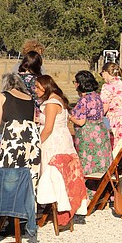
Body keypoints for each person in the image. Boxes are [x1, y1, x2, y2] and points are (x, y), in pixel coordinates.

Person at [34, 75, 88, 227]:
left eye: (38, 87)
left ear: (46, 86)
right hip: (63, 138)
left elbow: (48, 128)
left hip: (54, 141)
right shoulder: (59, 99)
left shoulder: (51, 103)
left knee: (52, 173)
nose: (36, 90)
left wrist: (37, 143)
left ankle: (53, 204)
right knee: (62, 173)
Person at [0, 72, 41, 171]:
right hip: (31, 140)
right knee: (29, 175)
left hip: (13, 140)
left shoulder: (2, 97)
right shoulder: (30, 98)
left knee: (9, 174)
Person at [69, 70, 111, 177]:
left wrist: (68, 116)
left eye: (75, 81)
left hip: (88, 137)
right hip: (101, 133)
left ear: (80, 83)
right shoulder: (96, 96)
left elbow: (81, 121)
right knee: (101, 163)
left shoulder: (84, 100)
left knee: (89, 164)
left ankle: (90, 192)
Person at [100, 62, 122, 158]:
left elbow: (104, 106)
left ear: (105, 72)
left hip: (117, 120)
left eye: (102, 74)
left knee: (118, 146)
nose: (102, 77)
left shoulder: (107, 87)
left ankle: (115, 167)